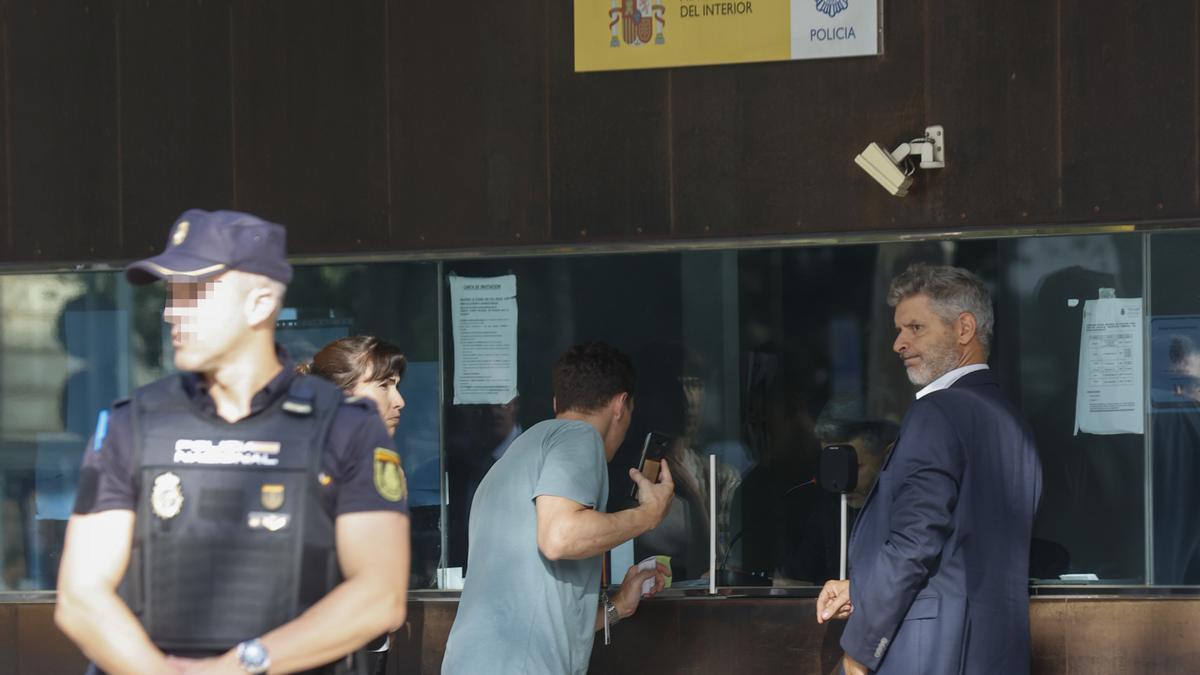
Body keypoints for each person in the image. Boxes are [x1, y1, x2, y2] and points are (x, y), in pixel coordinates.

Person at [55, 209, 411, 675]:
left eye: (193, 292)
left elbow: (379, 598)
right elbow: (81, 597)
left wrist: (240, 667)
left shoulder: (346, 428)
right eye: (170, 294)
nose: (169, 311)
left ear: (260, 304)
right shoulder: (131, 425)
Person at [817, 263, 1043, 675]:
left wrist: (860, 650)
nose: (898, 343)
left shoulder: (935, 412)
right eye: (899, 329)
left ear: (964, 328)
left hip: (930, 656)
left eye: (915, 328)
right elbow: (965, 549)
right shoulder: (1014, 423)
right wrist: (863, 589)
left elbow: (913, 543)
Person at [441, 342, 674, 675]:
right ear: (621, 405)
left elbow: (539, 611)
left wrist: (618, 607)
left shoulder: (516, 457)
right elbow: (559, 538)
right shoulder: (579, 438)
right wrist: (648, 515)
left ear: (557, 403)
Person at [302, 335, 409, 674]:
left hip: (365, 648)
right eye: (384, 385)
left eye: (397, 386)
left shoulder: (380, 464)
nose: (399, 400)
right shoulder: (302, 464)